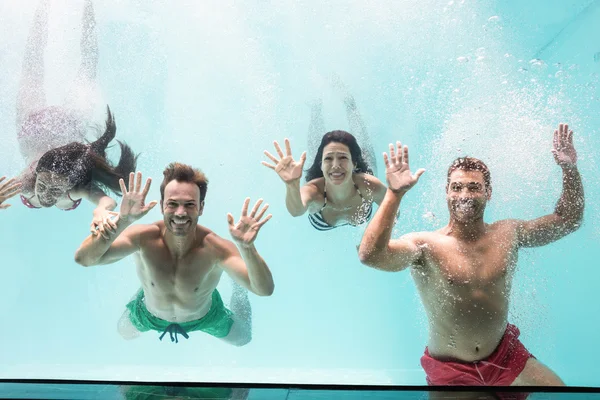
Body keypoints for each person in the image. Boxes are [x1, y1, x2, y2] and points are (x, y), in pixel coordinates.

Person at [358, 123, 584, 389]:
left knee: (562, 394)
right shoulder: (425, 245)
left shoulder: (507, 233)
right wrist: (394, 194)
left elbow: (568, 219)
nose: (464, 195)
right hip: (451, 370)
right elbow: (371, 256)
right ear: (446, 192)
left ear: (488, 193)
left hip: (507, 356)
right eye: (457, 187)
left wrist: (569, 168)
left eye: (473, 188)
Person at [74, 163, 275, 346]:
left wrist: (247, 248)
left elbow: (264, 289)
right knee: (124, 332)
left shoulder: (216, 248)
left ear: (201, 208)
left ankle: (239, 288)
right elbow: (84, 259)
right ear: (162, 205)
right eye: (172, 204)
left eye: (189, 204)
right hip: (149, 313)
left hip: (205, 315)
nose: (180, 213)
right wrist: (124, 220)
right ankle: (147, 289)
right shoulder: (143, 238)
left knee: (243, 339)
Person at [15, 0, 137, 236]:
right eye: (44, 186)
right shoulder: (64, 187)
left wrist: (101, 211)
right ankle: (81, 6)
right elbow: (105, 201)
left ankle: (46, 7)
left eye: (54, 188)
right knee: (85, 68)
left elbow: (103, 202)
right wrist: (102, 209)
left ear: (70, 184)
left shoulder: (35, 184)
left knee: (32, 65)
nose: (47, 195)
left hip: (33, 127)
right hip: (64, 126)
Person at [262, 78, 387, 231]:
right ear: (321, 164)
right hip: (323, 178)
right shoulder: (314, 192)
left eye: (343, 158)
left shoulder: (368, 185)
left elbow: (394, 213)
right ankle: (316, 106)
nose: (335, 165)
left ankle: (349, 101)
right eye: (328, 159)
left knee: (363, 145)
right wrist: (291, 185)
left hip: (360, 173)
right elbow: (296, 211)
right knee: (318, 147)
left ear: (354, 163)